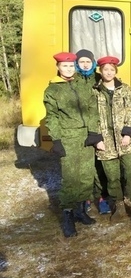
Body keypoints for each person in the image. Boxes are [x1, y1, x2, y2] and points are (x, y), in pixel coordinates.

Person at [44, 52, 104, 237]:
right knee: (71, 178)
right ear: (58, 67)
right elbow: (52, 117)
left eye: (71, 66)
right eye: (65, 66)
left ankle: (80, 212)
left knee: (86, 176)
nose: (69, 69)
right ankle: (68, 217)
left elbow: (92, 108)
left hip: (86, 136)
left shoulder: (82, 83)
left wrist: (94, 133)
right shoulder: (53, 90)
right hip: (68, 137)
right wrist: (56, 140)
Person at [94, 56, 131, 223]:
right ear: (100, 72)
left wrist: (128, 133)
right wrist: (97, 138)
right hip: (105, 142)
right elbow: (90, 116)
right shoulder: (95, 91)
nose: (108, 72)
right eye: (105, 70)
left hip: (126, 140)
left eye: (111, 70)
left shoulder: (124, 89)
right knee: (112, 177)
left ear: (115, 71)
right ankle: (119, 206)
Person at [73, 49, 110, 215]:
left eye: (88, 61)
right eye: (82, 62)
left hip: (100, 129)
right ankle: (86, 198)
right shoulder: (73, 80)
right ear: (77, 63)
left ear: (93, 63)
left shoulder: (98, 78)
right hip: (81, 131)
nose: (85, 64)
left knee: (100, 166)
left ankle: (102, 198)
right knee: (85, 169)